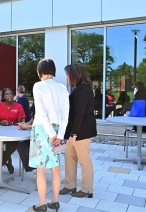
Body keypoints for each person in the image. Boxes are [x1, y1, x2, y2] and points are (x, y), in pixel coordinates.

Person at [29, 59, 69, 212]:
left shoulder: (38, 85)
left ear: (40, 72)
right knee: (55, 168)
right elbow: (66, 114)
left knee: (41, 168)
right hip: (59, 129)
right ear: (53, 71)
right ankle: (55, 201)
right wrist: (59, 134)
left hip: (41, 129)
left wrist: (51, 134)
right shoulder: (62, 88)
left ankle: (41, 203)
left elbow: (41, 113)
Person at [60, 64, 97, 199]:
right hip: (75, 130)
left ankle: (87, 189)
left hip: (82, 131)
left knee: (84, 160)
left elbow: (80, 113)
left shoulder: (83, 90)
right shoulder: (79, 89)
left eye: (68, 74)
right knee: (69, 157)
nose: (66, 77)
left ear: (75, 74)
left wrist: (74, 133)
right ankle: (70, 185)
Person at [0, 87, 26, 174]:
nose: (9, 95)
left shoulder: (19, 106)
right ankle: (7, 160)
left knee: (14, 144)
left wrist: (10, 123)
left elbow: (20, 123)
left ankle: (2, 161)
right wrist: (1, 123)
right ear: (3, 96)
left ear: (14, 95)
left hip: (13, 133)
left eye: (11, 93)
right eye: (6, 94)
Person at [17, 103, 36, 174]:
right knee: (20, 146)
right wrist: (25, 124)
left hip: (42, 136)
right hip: (34, 135)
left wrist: (27, 127)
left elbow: (42, 124)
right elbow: (33, 119)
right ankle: (32, 168)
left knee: (27, 147)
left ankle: (35, 168)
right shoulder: (36, 105)